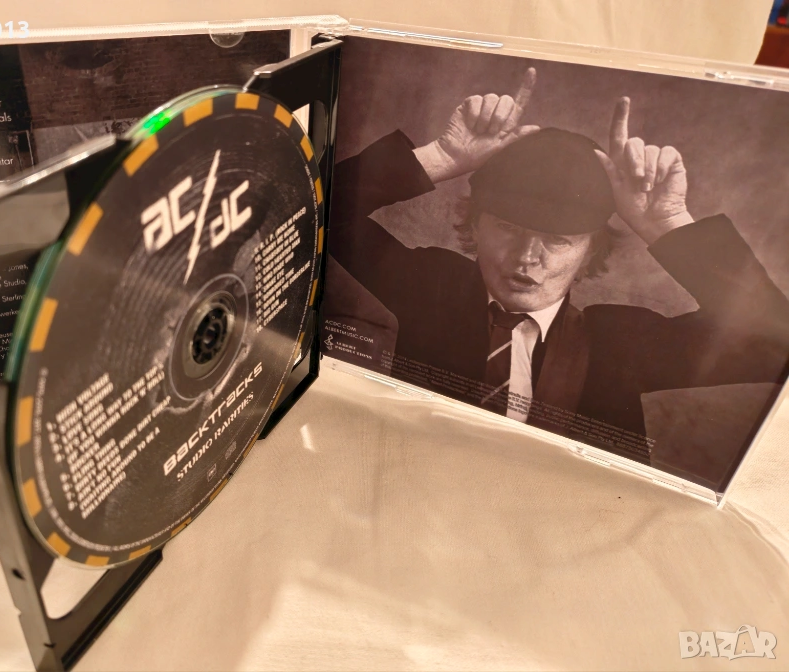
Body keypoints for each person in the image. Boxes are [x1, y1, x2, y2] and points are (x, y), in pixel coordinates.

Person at [326, 67, 789, 467]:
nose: (527, 257)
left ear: (590, 250)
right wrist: (440, 158)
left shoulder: (621, 343)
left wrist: (668, 224)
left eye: (558, 240)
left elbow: (775, 345)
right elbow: (319, 208)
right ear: (475, 225)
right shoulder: (432, 287)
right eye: (508, 228)